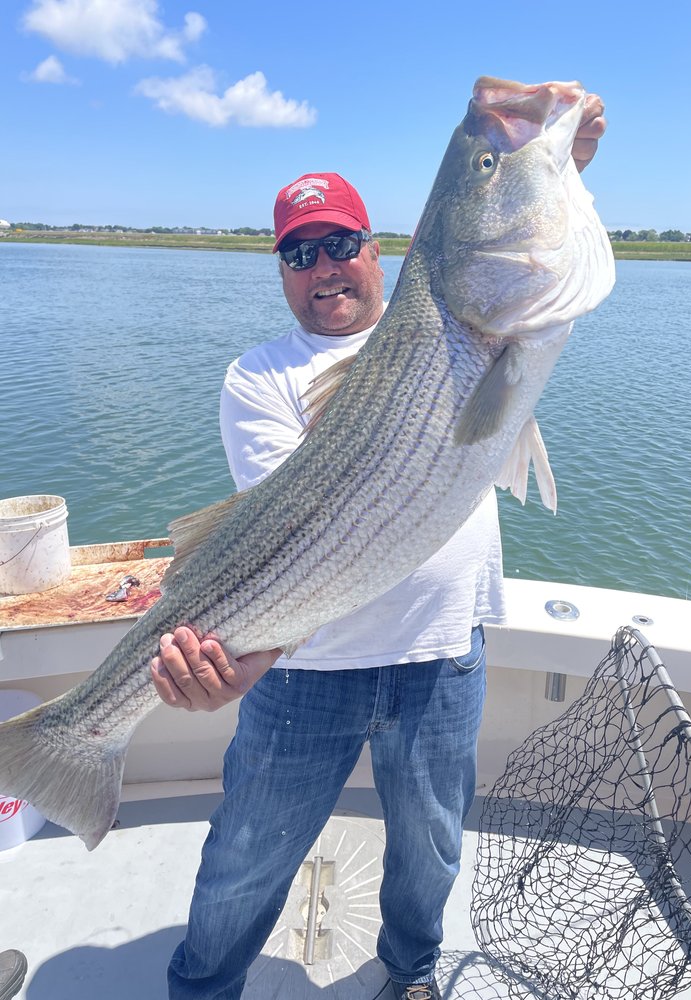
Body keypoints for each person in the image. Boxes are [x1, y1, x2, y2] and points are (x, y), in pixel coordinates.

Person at [151, 98, 606, 1000]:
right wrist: (252, 652)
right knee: (245, 860)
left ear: (379, 247)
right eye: (298, 252)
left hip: (444, 656)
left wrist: (559, 160)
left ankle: (409, 977)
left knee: (430, 854)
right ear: (282, 270)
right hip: (305, 675)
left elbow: (516, 248)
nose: (322, 268)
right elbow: (297, 539)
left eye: (339, 243)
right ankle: (201, 991)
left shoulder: (474, 318)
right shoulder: (258, 377)